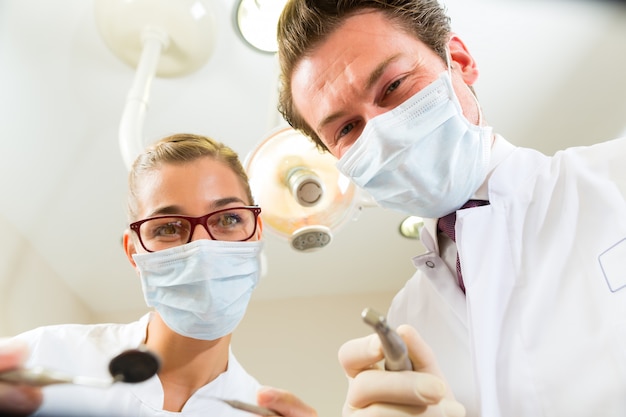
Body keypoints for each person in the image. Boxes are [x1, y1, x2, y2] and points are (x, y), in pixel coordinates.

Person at [275, 1, 626, 416]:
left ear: (458, 61)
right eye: (347, 129)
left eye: (394, 86)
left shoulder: (614, 175)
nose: (383, 135)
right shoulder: (406, 323)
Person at [2, 133, 316, 417]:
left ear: (257, 234)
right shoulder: (43, 360)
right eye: (167, 228)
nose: (203, 247)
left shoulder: (261, 411)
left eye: (230, 219)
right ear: (133, 252)